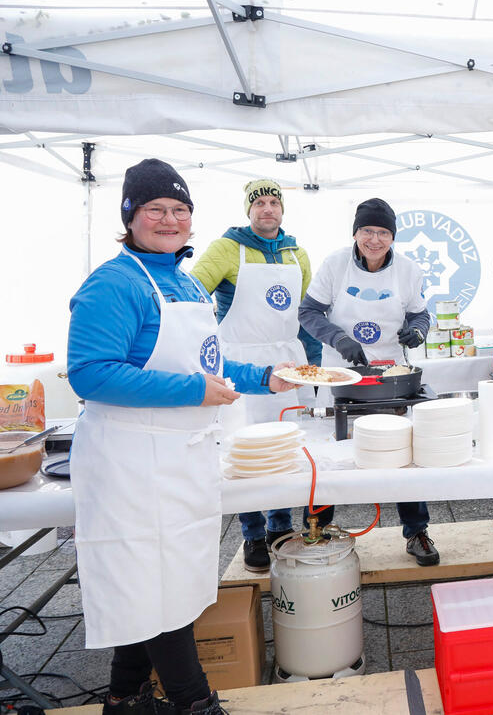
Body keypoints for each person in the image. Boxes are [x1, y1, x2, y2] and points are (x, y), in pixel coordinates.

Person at [67, 159, 299, 715]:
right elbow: (90, 372)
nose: (169, 220)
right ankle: (195, 703)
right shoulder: (114, 283)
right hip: (132, 462)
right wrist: (194, 392)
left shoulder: (185, 282)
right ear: (131, 215)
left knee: (160, 583)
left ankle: (124, 697)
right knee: (155, 589)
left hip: (179, 457)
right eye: (156, 210)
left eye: (180, 210)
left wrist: (261, 376)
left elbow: (209, 361)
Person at [299, 198, 438, 566]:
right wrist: (339, 339)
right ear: (356, 233)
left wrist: (418, 330)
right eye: (367, 231)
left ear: (392, 236)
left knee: (402, 452)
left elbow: (420, 312)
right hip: (342, 373)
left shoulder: (408, 270)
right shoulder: (335, 264)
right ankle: (316, 529)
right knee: (329, 454)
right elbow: (309, 311)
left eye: (382, 233)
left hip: (391, 374)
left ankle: (417, 530)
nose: (374, 240)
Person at [191, 179, 321, 572]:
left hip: (286, 360)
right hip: (241, 362)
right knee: (244, 451)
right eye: (259, 203)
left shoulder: (297, 253)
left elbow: (307, 316)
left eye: (273, 202)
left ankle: (280, 526)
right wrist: (203, 345)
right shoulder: (228, 247)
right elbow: (193, 293)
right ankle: (251, 532)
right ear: (248, 210)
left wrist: (313, 367)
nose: (268, 209)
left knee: (284, 448)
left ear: (282, 209)